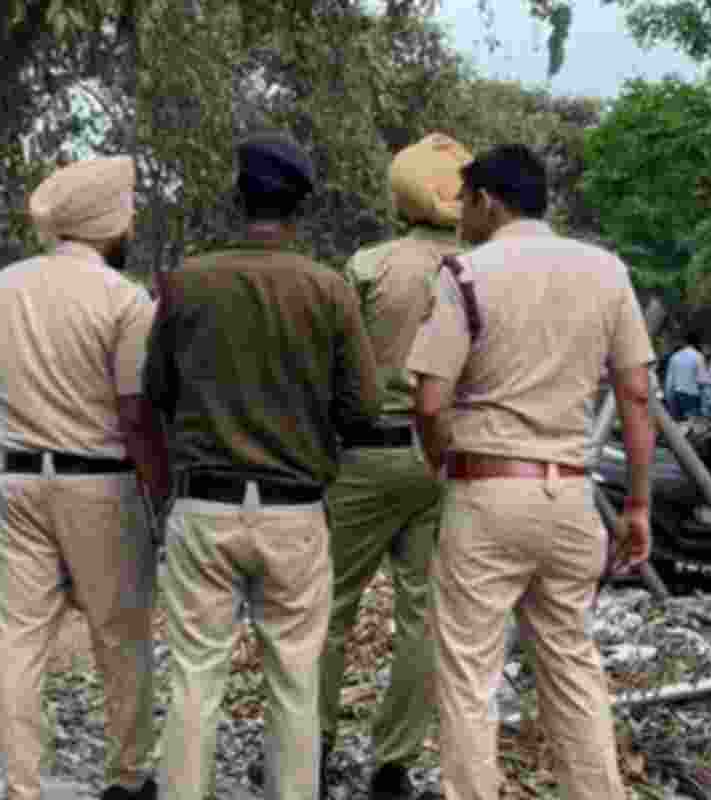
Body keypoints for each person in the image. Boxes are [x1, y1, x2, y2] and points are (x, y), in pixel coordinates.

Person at [406, 143, 656, 800]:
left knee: (468, 675)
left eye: (463, 203)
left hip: (487, 491)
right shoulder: (606, 272)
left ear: (487, 201)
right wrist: (637, 506)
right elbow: (634, 395)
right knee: (573, 667)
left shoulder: (464, 272)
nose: (460, 217)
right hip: (571, 494)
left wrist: (442, 462)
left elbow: (430, 401)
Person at [143, 132, 379, 800]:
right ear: (299, 209)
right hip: (294, 512)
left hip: (204, 504)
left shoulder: (187, 283)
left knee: (194, 675)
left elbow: (156, 390)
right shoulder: (328, 290)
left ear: (236, 199)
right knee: (295, 682)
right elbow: (362, 406)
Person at [0, 155, 167, 800]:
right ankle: (126, 778)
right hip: (103, 485)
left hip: (16, 486)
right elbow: (134, 411)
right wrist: (160, 498)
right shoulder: (126, 300)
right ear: (110, 225)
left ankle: (22, 786)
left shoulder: (0, 290)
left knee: (20, 641)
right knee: (120, 639)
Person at [317, 132, 469, 800]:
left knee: (328, 607)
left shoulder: (370, 265)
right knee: (424, 613)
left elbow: (335, 370)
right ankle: (394, 766)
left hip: (366, 455)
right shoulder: (479, 268)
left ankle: (309, 750)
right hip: (445, 460)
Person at [664, 330, 711, 421]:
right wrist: (706, 408)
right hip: (691, 398)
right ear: (697, 343)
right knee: (692, 428)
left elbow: (668, 384)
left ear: (685, 342)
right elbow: (704, 384)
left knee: (678, 428)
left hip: (676, 398)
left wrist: (670, 404)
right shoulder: (698, 357)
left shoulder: (675, 357)